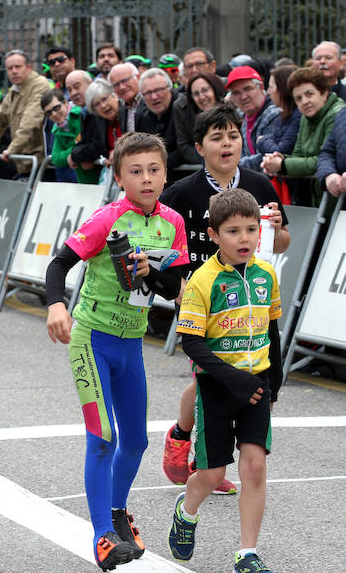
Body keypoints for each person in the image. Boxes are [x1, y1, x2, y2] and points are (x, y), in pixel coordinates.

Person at [45, 132, 189, 571]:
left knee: (138, 441)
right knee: (103, 436)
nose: (146, 179)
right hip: (91, 340)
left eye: (154, 170)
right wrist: (55, 305)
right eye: (135, 171)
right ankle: (102, 536)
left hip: (132, 344)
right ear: (119, 175)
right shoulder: (107, 217)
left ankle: (116, 513)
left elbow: (176, 287)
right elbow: (58, 264)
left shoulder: (173, 223)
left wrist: (153, 273)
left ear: (165, 173)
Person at [160, 103, 289, 494]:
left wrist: (279, 228)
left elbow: (281, 243)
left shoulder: (260, 185)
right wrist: (178, 283)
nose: (227, 144)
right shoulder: (181, 193)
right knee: (210, 374)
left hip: (250, 298)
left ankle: (201, 452)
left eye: (233, 135)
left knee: (226, 376)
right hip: (202, 299)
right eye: (217, 138)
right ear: (200, 147)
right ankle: (189, 443)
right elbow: (161, 245)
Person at [168, 188, 282, 573]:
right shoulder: (203, 281)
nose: (245, 238)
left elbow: (273, 330)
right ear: (214, 235)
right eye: (233, 231)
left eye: (251, 229)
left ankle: (247, 553)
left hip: (257, 383)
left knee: (254, 466)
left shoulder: (267, 274)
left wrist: (274, 383)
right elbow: (192, 344)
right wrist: (235, 381)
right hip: (218, 387)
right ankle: (187, 510)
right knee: (213, 473)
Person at [261, 67, 345, 207]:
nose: (304, 101)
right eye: (298, 98)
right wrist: (279, 158)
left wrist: (282, 165)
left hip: (334, 201)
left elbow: (323, 159)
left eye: (309, 94)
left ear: (324, 93)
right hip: (313, 200)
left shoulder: (337, 113)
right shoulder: (306, 117)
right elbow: (298, 154)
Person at [0, 50, 53, 176]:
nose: (14, 71)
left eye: (18, 67)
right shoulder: (14, 90)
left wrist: (12, 149)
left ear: (28, 67)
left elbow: (31, 121)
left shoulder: (39, 84)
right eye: (9, 68)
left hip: (41, 163)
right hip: (24, 162)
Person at [255, 65, 301, 204]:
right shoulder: (283, 115)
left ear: (283, 89)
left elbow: (280, 150)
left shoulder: (297, 116)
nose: (268, 92)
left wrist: (262, 141)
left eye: (271, 87)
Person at [226, 66, 280, 172]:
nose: (243, 97)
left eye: (247, 89)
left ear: (261, 87)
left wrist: (231, 163)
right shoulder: (239, 118)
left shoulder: (275, 114)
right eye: (236, 93)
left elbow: (267, 158)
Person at [41, 89, 98, 183]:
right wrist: (73, 154)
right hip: (83, 181)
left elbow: (92, 144)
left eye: (56, 108)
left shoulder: (81, 114)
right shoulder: (58, 129)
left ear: (66, 103)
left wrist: (74, 155)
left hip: (100, 175)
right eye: (49, 113)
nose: (54, 114)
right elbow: (56, 158)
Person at [173, 72, 226, 165]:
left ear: (215, 89)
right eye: (196, 94)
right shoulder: (193, 117)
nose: (201, 97)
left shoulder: (231, 112)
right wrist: (209, 160)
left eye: (205, 90)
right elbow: (184, 146)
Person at [135, 69, 184, 169]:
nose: (154, 97)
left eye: (159, 90)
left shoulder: (183, 109)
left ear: (170, 88)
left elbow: (184, 150)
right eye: (148, 93)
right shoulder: (142, 117)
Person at [71, 79, 121, 173]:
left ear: (114, 96)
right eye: (97, 104)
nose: (103, 105)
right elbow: (91, 147)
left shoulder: (129, 115)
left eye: (104, 99)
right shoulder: (99, 122)